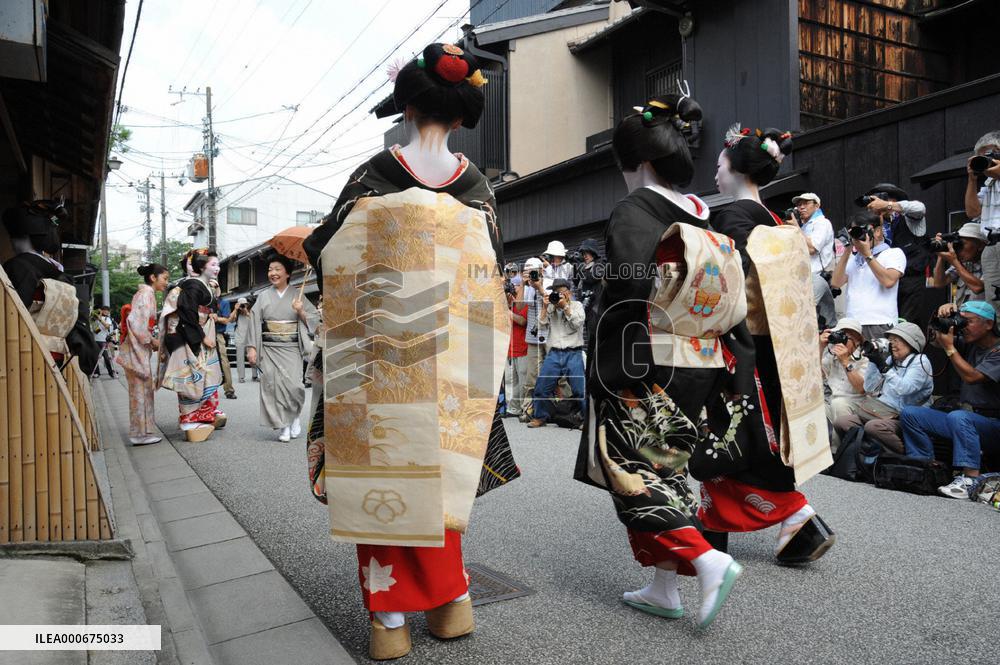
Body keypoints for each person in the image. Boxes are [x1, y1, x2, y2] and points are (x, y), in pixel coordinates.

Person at [302, 43, 519, 660]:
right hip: (453, 355)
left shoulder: (373, 175)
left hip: (377, 354)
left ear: (406, 104)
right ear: (459, 114)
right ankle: (452, 605)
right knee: (444, 473)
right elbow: (491, 275)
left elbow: (328, 259)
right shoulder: (475, 186)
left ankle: (390, 620)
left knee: (381, 471)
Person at [575, 94, 743, 630]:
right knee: (668, 464)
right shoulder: (703, 211)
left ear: (639, 164)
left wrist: (613, 362)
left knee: (628, 467)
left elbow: (628, 283)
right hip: (701, 355)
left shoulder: (637, 208)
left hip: (646, 355)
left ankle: (705, 558)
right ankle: (664, 587)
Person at [702, 123, 834, 565]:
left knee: (731, 439)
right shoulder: (775, 220)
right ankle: (731, 531)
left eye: (719, 164)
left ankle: (794, 513)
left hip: (739, 345)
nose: (716, 172)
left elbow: (725, 285)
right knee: (758, 437)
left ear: (736, 168)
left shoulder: (732, 218)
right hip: (776, 346)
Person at [900, 301, 1000, 498]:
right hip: (966, 419)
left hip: (993, 425)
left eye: (968, 321)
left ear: (988, 324)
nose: (963, 326)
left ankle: (970, 480)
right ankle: (924, 469)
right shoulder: (968, 343)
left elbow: (972, 377)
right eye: (961, 320)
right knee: (911, 414)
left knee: (959, 417)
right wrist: (940, 316)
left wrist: (950, 349)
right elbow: (935, 340)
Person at [1, 200, 99, 374]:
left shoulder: (18, 267)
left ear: (21, 236)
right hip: (55, 363)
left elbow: (9, 317)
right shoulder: (60, 275)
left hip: (20, 362)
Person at [244, 254, 319, 443]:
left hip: (291, 348)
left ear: (287, 273)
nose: (273, 273)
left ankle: (294, 418)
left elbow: (316, 323)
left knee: (294, 387)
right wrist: (252, 348)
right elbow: (254, 322)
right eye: (270, 269)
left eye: (277, 269)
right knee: (274, 388)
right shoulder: (263, 296)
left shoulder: (297, 295)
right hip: (269, 349)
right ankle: (284, 425)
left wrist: (301, 311)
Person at [831, 322, 932, 454]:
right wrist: (874, 361)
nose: (892, 345)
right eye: (890, 341)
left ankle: (905, 454)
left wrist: (884, 368)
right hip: (882, 412)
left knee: (873, 427)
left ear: (911, 343)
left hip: (904, 417)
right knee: (842, 422)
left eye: (897, 341)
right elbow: (869, 388)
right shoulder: (891, 360)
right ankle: (868, 455)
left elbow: (905, 389)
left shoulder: (920, 361)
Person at [157, 249, 225, 442]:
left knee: (203, 375)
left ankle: (200, 415)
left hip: (198, 329)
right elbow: (187, 312)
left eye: (217, 264)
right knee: (191, 376)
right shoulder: (191, 285)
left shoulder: (202, 284)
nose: (217, 268)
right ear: (201, 266)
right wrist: (201, 336)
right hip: (189, 334)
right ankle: (189, 419)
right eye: (213, 264)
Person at [857, 183, 928, 327]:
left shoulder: (908, 218)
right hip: (883, 278)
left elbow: (920, 208)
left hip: (909, 280)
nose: (876, 204)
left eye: (880, 199)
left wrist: (887, 205)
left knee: (906, 325)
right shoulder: (876, 225)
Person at [830, 211, 906, 340]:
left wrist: (867, 255)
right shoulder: (853, 259)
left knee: (878, 360)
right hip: (852, 323)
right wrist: (847, 250)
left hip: (879, 323)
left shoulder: (893, 253)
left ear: (877, 231)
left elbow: (888, 281)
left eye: (861, 230)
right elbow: (836, 283)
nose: (858, 235)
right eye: (854, 231)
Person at [116, 264, 169, 445]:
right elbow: (137, 325)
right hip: (136, 349)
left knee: (143, 390)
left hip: (138, 347)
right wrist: (152, 340)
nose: (166, 283)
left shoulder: (146, 294)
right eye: (164, 278)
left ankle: (144, 432)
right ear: (153, 278)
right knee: (140, 391)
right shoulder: (146, 294)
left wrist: (150, 339)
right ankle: (139, 434)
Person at [527, 279, 585, 428]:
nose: (558, 295)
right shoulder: (551, 307)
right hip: (554, 354)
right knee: (541, 387)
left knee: (580, 389)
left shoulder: (577, 306)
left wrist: (565, 307)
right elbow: (540, 326)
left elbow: (577, 323)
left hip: (573, 353)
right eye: (556, 292)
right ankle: (540, 417)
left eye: (561, 291)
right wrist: (545, 307)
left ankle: (586, 419)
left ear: (569, 293)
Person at [965, 130, 1000, 315]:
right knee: (994, 301)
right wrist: (972, 178)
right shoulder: (988, 184)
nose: (986, 160)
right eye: (982, 157)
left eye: (990, 154)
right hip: (991, 244)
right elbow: (973, 212)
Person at [790, 192, 837, 328]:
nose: (801, 207)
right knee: (816, 321)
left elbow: (812, 249)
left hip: (816, 276)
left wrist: (796, 228)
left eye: (806, 203)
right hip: (804, 278)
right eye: (799, 205)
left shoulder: (822, 223)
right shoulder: (804, 226)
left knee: (804, 315)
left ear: (817, 205)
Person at [819, 318, 869, 423]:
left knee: (839, 403)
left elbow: (862, 389)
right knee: (816, 408)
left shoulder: (865, 359)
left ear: (857, 341)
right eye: (839, 336)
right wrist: (820, 347)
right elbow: (817, 375)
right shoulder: (832, 354)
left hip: (857, 404)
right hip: (832, 401)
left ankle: (845, 439)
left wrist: (846, 362)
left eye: (845, 338)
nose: (840, 341)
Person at [930, 222, 986, 306]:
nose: (958, 249)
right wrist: (941, 252)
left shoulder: (991, 261)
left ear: (980, 245)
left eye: (962, 244)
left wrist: (955, 262)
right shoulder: (963, 263)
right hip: (964, 314)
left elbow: (978, 288)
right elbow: (939, 283)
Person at [519, 257, 547, 422]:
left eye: (534, 272)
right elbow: (520, 306)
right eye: (528, 273)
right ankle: (528, 409)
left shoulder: (549, 281)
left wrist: (539, 286)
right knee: (531, 377)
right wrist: (523, 284)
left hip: (550, 336)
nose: (532, 276)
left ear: (541, 271)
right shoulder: (527, 287)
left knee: (560, 377)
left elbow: (552, 302)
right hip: (532, 337)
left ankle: (566, 409)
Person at [503, 264, 529, 418]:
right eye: (513, 285)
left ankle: (522, 408)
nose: (514, 288)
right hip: (510, 348)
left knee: (522, 381)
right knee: (510, 381)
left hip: (523, 348)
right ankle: (511, 408)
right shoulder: (510, 302)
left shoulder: (525, 302)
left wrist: (508, 312)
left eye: (517, 285)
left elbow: (522, 321)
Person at [207, 280, 237, 399]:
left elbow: (227, 320)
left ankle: (229, 389)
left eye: (214, 286)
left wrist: (215, 318)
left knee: (224, 361)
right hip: (203, 334)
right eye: (209, 286)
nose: (212, 288)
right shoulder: (203, 301)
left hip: (218, 334)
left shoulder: (223, 303)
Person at [232, 297, 257, 382]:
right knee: (240, 358)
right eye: (241, 305)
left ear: (247, 304)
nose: (243, 306)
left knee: (253, 357)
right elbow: (231, 320)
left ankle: (255, 375)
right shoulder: (237, 314)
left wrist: (246, 311)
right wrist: (235, 309)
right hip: (240, 338)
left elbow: (254, 321)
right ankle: (241, 377)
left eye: (244, 304)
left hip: (250, 338)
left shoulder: (250, 312)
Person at [92, 306, 119, 379]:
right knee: (95, 357)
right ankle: (96, 373)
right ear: (102, 310)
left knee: (106, 358)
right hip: (95, 340)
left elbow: (107, 326)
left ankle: (111, 373)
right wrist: (96, 317)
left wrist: (100, 319)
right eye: (105, 310)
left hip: (103, 341)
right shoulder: (94, 318)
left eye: (108, 311)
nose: (107, 312)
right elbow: (94, 329)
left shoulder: (108, 319)